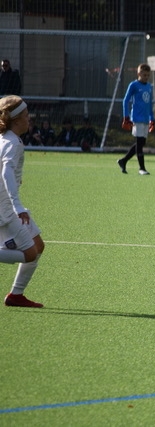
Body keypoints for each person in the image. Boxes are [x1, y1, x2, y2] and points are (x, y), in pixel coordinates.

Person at [0, 95, 46, 308]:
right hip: (6, 210)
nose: (30, 119)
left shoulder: (6, 139)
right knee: (29, 254)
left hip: (8, 205)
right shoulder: (12, 143)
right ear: (16, 120)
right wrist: (18, 206)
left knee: (38, 245)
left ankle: (15, 295)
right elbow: (6, 171)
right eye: (27, 115)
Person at [118, 63, 155, 175]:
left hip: (145, 119)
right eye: (144, 75)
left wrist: (152, 118)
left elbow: (150, 104)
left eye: (148, 75)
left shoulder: (149, 86)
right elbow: (125, 101)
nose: (146, 77)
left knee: (141, 143)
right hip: (137, 118)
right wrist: (126, 116)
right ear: (139, 74)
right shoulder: (133, 85)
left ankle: (123, 161)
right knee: (139, 143)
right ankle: (142, 168)